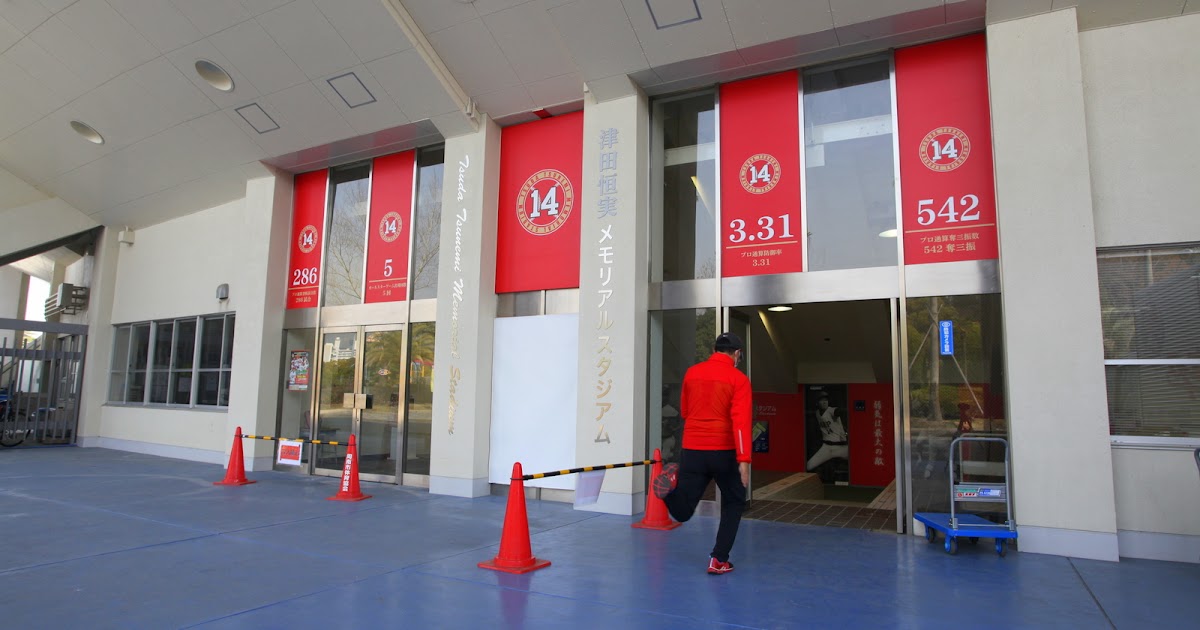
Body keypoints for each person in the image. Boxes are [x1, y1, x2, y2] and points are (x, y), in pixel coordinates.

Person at [652, 333, 752, 575]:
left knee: (683, 511)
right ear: (737, 353)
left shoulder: (692, 372)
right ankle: (719, 560)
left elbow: (685, 411)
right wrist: (744, 460)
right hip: (723, 451)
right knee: (735, 501)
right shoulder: (738, 379)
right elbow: (741, 422)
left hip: (692, 448)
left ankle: (669, 489)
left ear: (714, 349)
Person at [806, 393, 848, 471]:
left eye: (826, 400)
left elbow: (839, 411)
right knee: (808, 466)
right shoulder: (817, 413)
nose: (824, 402)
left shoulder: (831, 410)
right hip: (826, 447)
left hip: (842, 447)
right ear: (817, 403)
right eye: (821, 400)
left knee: (857, 462)